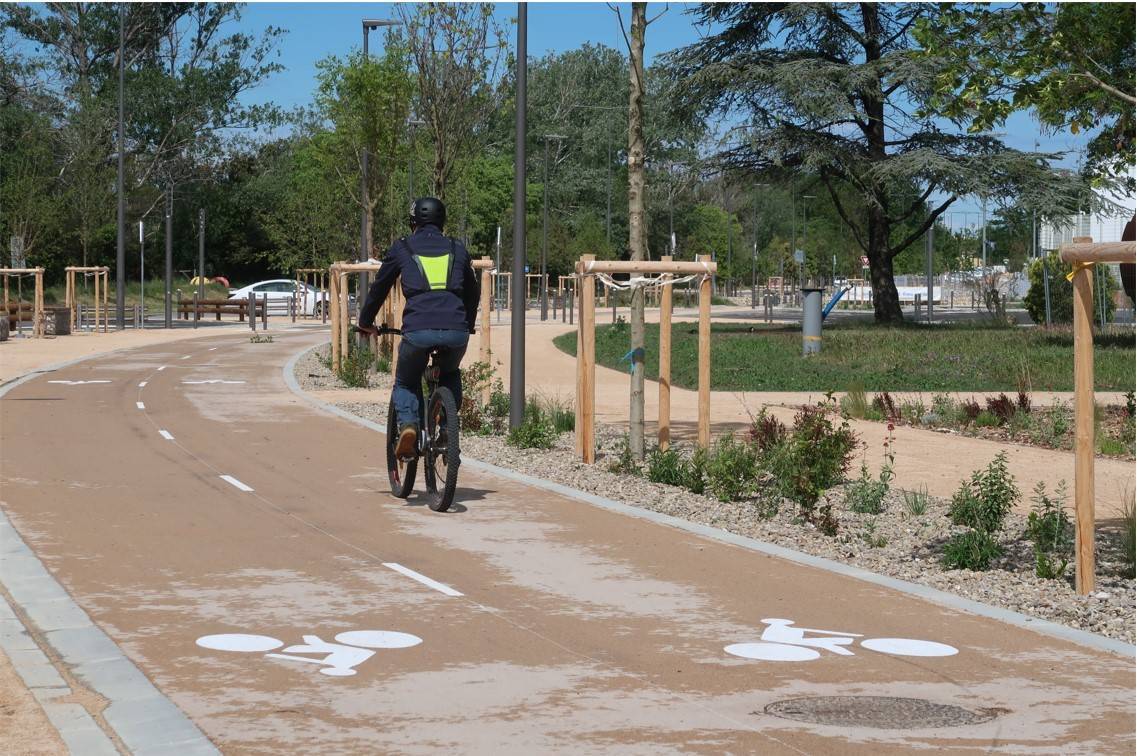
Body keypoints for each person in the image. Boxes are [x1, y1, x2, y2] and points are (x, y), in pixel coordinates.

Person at [357, 197, 479, 458]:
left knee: (405, 380)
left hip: (418, 330)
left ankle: (409, 426)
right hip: (456, 331)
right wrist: (467, 324)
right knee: (450, 372)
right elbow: (472, 291)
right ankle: (447, 429)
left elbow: (380, 288)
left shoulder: (403, 247)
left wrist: (365, 322)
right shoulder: (457, 247)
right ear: (442, 221)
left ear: (413, 222)